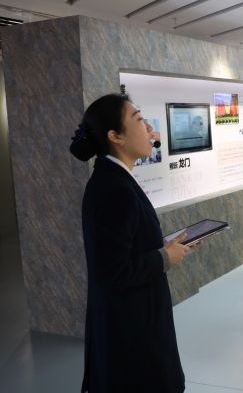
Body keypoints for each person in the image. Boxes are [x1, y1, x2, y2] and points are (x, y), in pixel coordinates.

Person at [70, 93, 197, 393]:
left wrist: (163, 246)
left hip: (130, 323)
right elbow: (111, 271)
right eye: (139, 119)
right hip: (132, 330)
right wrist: (164, 257)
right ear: (116, 136)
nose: (150, 127)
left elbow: (121, 247)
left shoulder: (112, 179)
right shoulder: (116, 188)